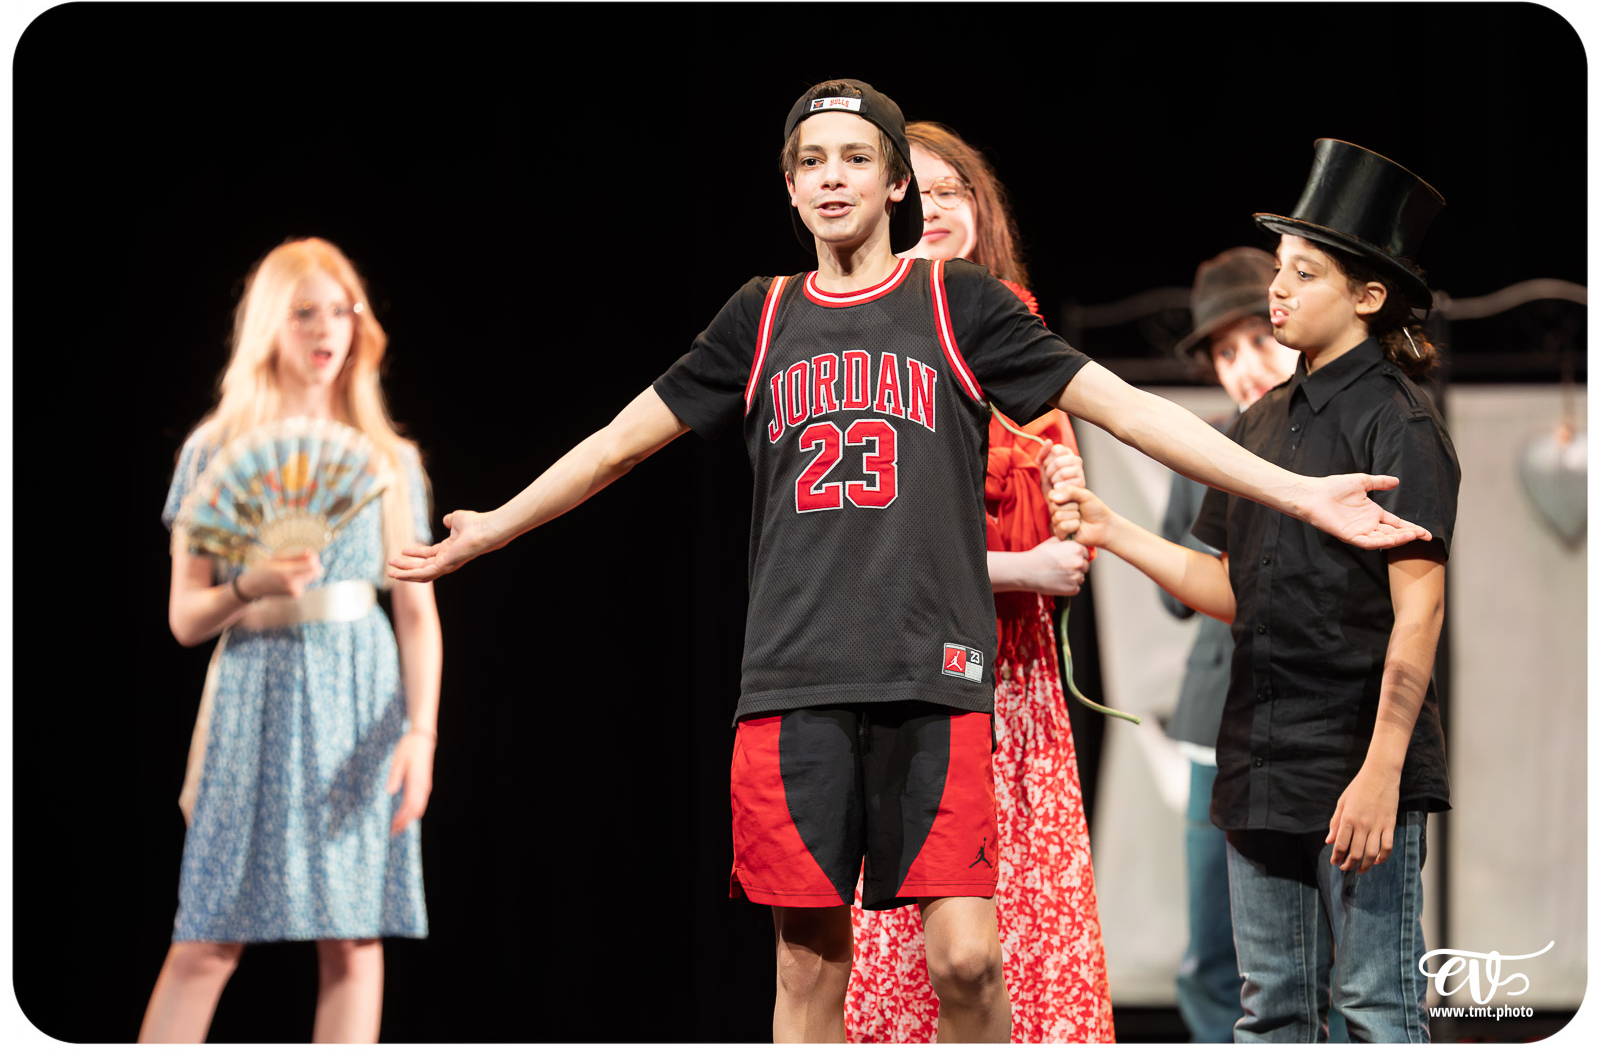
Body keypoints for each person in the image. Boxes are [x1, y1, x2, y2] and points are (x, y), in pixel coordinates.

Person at [387, 82, 1428, 1044]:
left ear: (894, 184)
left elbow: (1126, 408)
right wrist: (496, 525)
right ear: (790, 187)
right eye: (811, 161)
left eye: (855, 158)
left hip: (934, 685)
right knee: (808, 961)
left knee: (969, 959)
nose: (832, 177)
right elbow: (620, 440)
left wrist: (1295, 491)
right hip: (794, 684)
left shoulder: (957, 305)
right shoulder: (761, 315)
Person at [1047, 140, 1456, 1043]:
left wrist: (1382, 772)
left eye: (1304, 274)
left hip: (1354, 762)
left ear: (1368, 296)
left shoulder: (1399, 422)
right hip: (1258, 764)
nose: (1278, 290)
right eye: (1278, 268)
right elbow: (1233, 590)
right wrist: (1113, 530)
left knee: (1376, 1005)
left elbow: (1419, 610)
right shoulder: (1255, 426)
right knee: (1269, 1010)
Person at [842, 119, 1113, 1044]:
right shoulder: (870, 354)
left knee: (1019, 933)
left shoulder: (1020, 345)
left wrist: (1067, 509)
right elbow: (873, 553)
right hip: (908, 678)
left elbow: (1060, 547)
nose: (933, 208)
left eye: (950, 189)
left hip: (1016, 682)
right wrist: (1020, 566)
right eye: (913, 191)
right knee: (922, 946)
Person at [140, 238, 441, 1043]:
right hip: (254, 694)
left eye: (341, 310)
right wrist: (252, 584)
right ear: (269, 323)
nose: (325, 328)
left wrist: (421, 734)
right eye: (304, 311)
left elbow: (417, 613)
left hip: (361, 697)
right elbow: (184, 618)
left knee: (354, 935)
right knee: (207, 937)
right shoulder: (213, 450)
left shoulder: (388, 459)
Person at [1162, 246, 1298, 1042]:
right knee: (1212, 951)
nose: (1245, 365)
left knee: (1322, 943)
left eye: (1258, 339)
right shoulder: (1199, 446)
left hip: (1314, 722)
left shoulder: (1342, 436)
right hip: (1215, 723)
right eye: (1225, 352)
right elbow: (1174, 596)